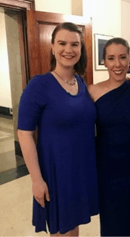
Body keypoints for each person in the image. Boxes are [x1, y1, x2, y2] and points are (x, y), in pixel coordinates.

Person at [17, 22, 99, 236]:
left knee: (74, 227)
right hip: (56, 172)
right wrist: (36, 179)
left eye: (75, 44)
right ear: (52, 47)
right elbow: (24, 133)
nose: (68, 50)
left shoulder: (81, 83)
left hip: (80, 170)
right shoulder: (39, 85)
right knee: (62, 229)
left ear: (81, 50)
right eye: (62, 43)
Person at [88, 37, 130, 236]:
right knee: (112, 225)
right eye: (111, 58)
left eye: (122, 57)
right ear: (104, 62)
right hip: (106, 170)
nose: (118, 64)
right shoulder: (92, 91)